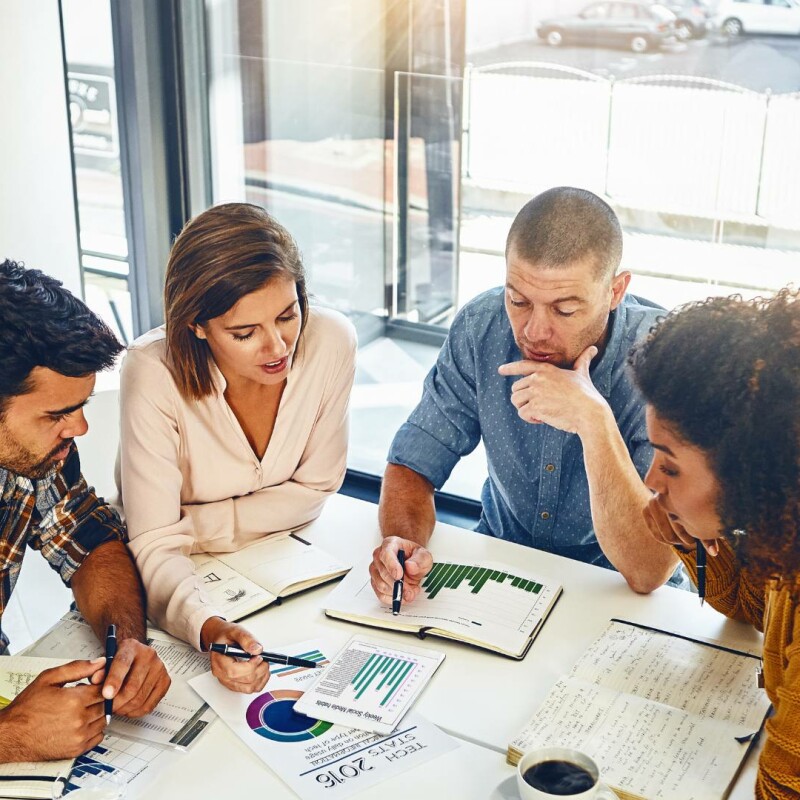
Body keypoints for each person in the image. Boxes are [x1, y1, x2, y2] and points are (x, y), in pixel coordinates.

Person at [371, 186, 686, 607]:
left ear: (615, 291)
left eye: (564, 310)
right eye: (518, 300)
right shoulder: (481, 328)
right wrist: (404, 545)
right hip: (503, 570)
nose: (534, 331)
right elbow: (413, 464)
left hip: (617, 591)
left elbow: (648, 571)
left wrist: (593, 423)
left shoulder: (666, 360)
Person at [115, 203, 357, 694]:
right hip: (180, 586)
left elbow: (316, 487)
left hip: (295, 570)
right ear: (197, 326)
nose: (277, 347)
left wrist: (192, 525)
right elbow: (156, 550)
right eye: (244, 333)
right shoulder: (152, 374)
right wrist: (207, 627)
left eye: (288, 315)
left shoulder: (330, 341)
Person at [630, 289, 800, 799]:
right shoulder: (784, 536)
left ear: (749, 468)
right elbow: (751, 609)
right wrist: (697, 536)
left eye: (672, 464)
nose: (652, 480)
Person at [0, 259, 170, 763]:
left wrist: (126, 645)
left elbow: (89, 540)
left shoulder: (33, 456)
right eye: (56, 415)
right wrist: (10, 737)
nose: (79, 430)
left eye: (82, 407)